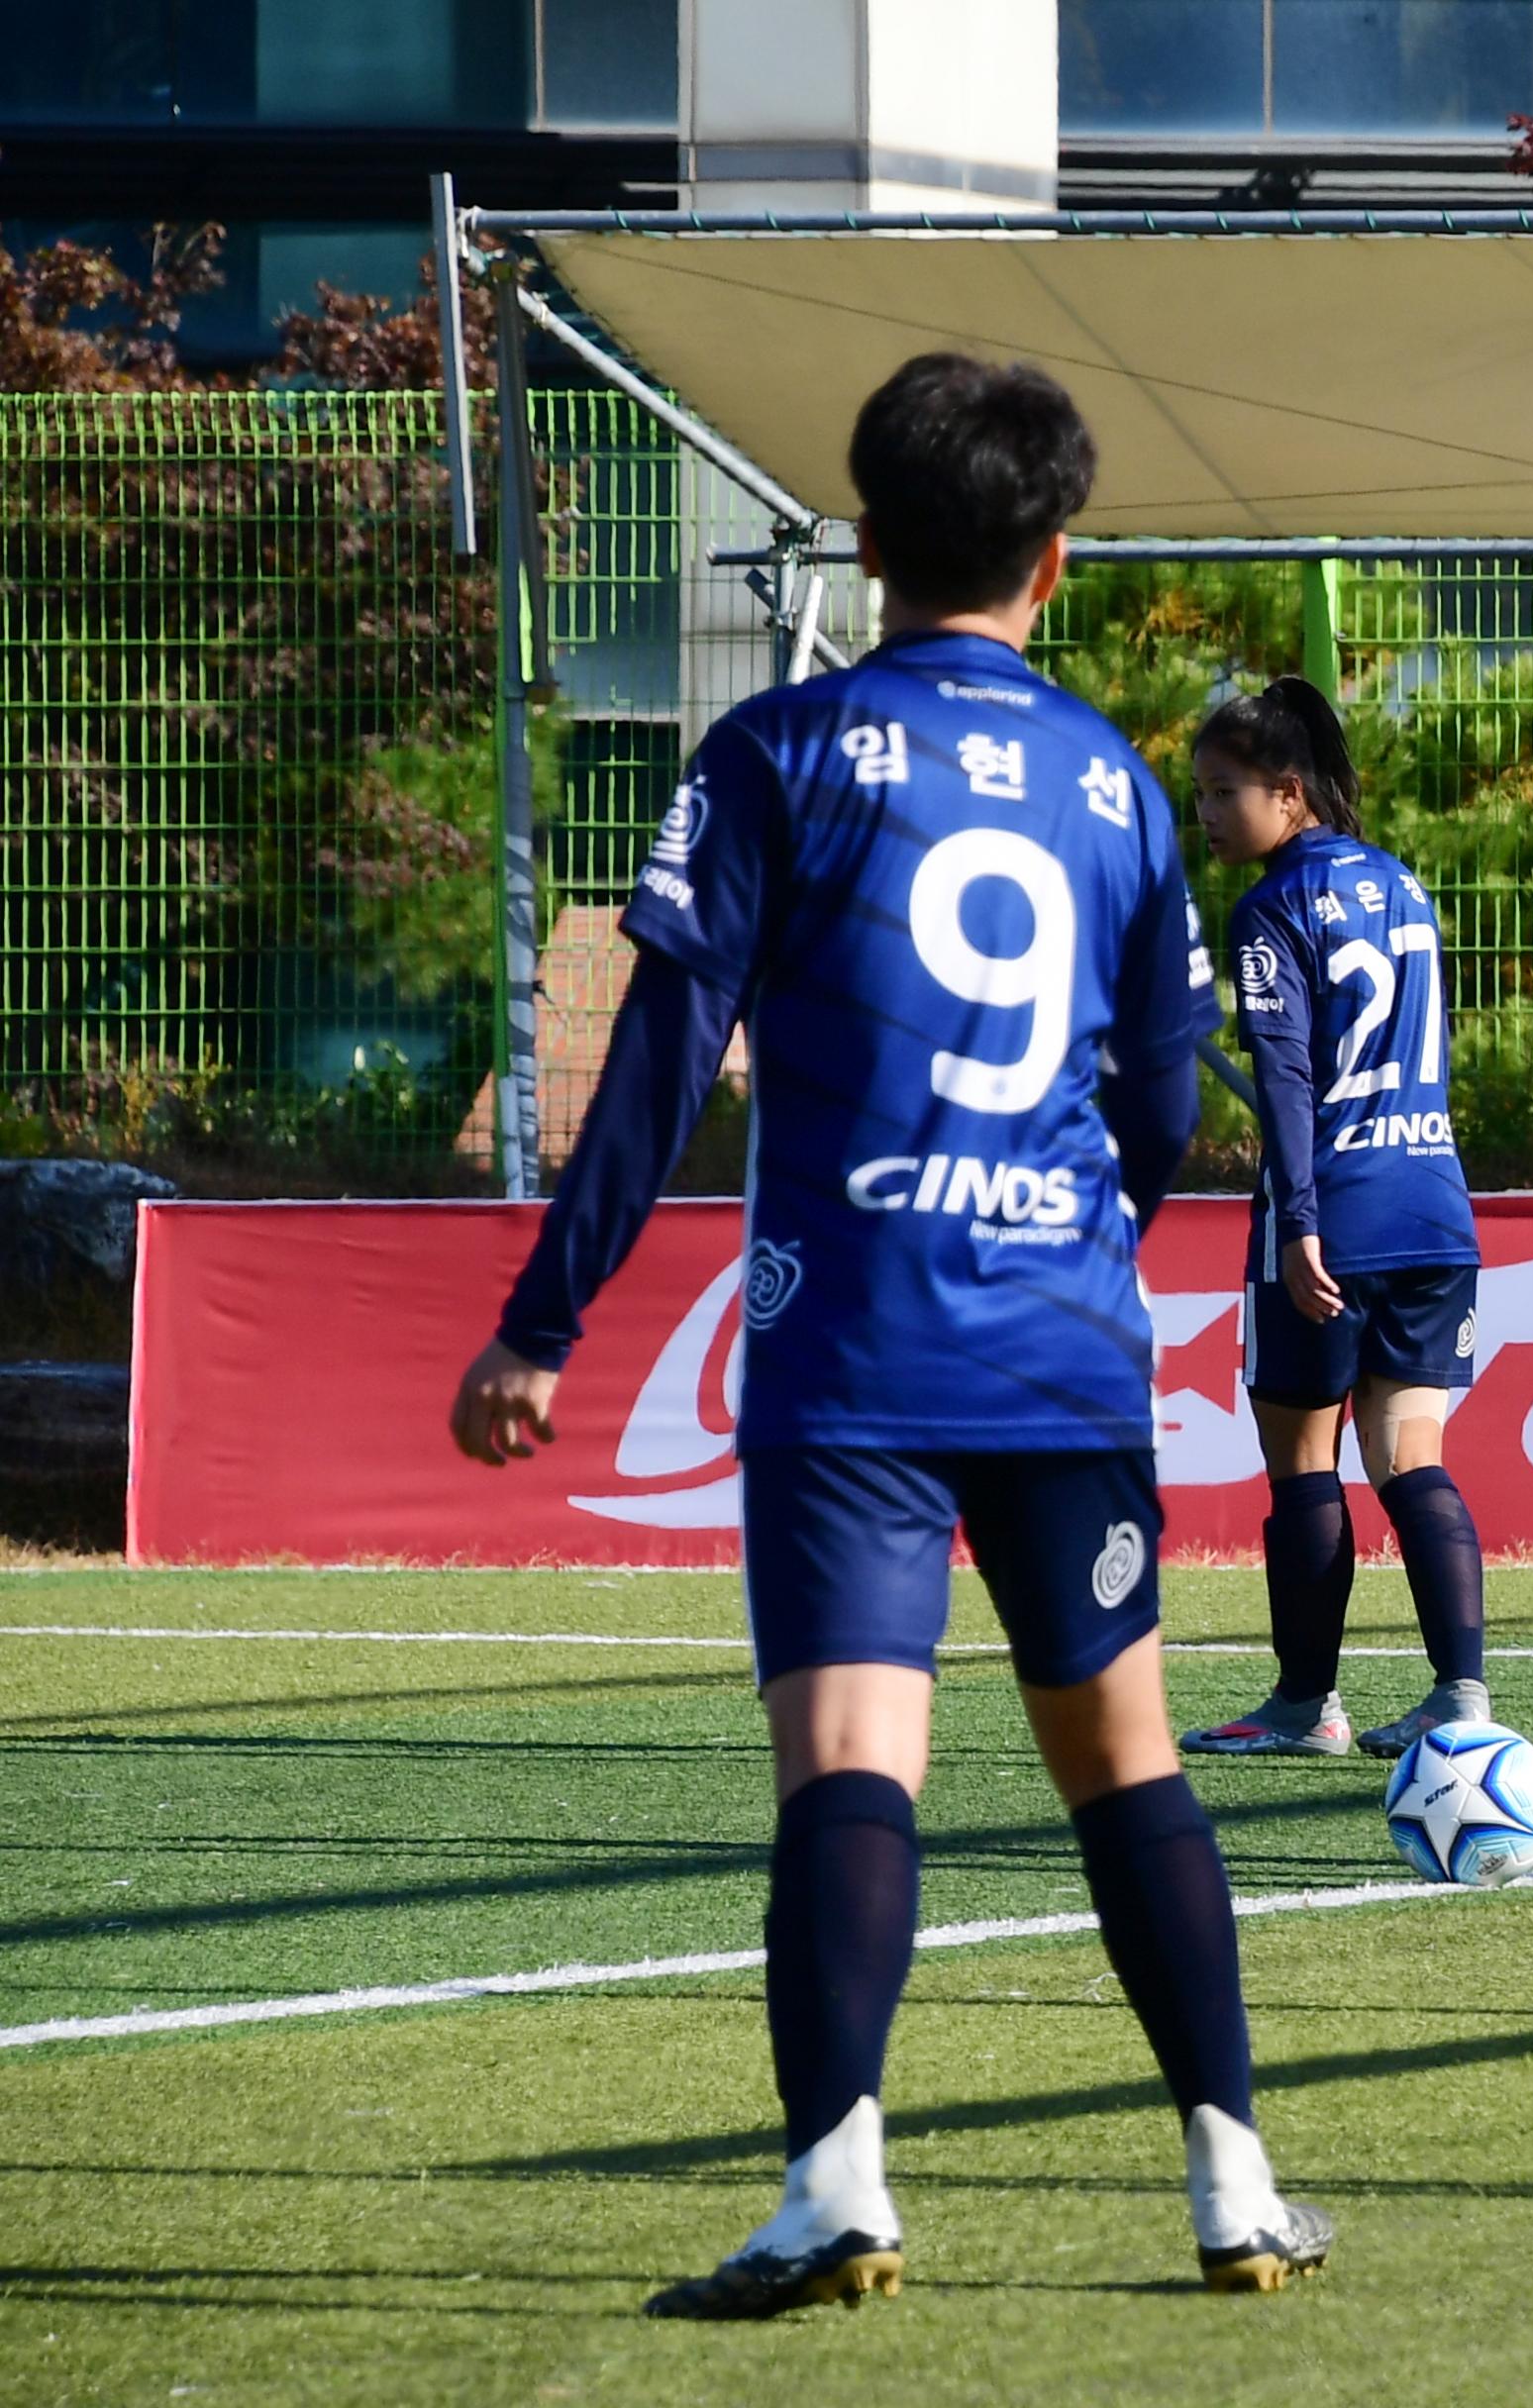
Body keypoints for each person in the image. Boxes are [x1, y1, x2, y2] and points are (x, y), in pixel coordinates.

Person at [446, 352, 1330, 2316]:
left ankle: (837, 2182)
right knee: (1127, 1761)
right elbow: (1170, 1111)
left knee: (852, 1751)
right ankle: (1234, 2183)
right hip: (1059, 1349)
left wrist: (542, 1320)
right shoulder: (1115, 781)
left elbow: (663, 1058)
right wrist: (1065, 1232)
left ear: (866, 537)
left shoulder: (775, 752)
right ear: (1059, 561)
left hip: (850, 1344)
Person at [1177, 679, 1491, 1764]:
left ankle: (1307, 1703)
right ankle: (1463, 1697)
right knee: (1411, 1454)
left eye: (1225, 791)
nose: (1208, 814)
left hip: (1332, 1217)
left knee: (1304, 1458)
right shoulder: (1402, 883)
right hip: (1435, 1208)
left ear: (1290, 793)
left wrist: (1300, 1220)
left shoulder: (1270, 907)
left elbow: (1289, 1070)